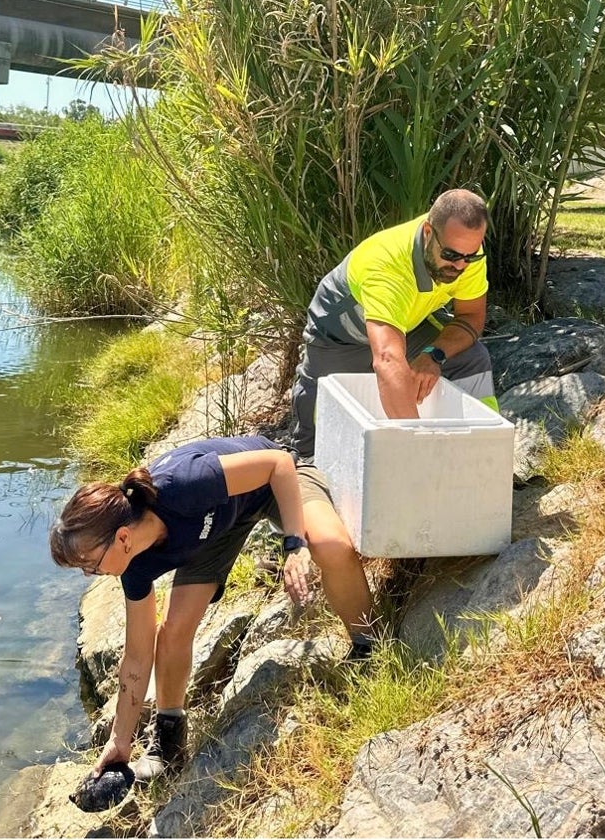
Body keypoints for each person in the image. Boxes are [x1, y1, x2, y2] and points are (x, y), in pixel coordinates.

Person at [49, 436, 374, 782]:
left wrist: (294, 543)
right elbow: (138, 656)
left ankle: (368, 648)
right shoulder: (135, 567)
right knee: (174, 631)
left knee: (329, 544)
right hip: (214, 530)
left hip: (276, 483)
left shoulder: (182, 485)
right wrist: (120, 740)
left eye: (91, 564)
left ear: (123, 538)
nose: (89, 574)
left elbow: (277, 464)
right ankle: (169, 743)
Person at [290, 188, 498, 463]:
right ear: (428, 233)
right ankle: (303, 460)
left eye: (470, 256)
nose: (460, 266)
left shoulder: (466, 252)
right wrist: (420, 453)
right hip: (340, 336)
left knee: (471, 358)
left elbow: (470, 317)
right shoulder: (387, 265)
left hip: (406, 323)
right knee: (317, 427)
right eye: (450, 254)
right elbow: (387, 359)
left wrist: (433, 355)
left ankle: (485, 455)